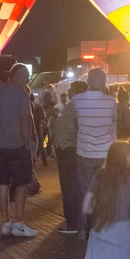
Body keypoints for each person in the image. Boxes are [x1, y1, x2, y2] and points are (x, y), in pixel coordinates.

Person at [79, 141, 130, 259]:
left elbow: (85, 208)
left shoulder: (98, 176)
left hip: (99, 233)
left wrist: (98, 210)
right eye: (129, 155)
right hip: (121, 233)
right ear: (124, 158)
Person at [0, 64, 37, 237]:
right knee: (21, 184)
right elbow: (25, 121)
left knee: (2, 184)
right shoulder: (21, 93)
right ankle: (19, 223)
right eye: (26, 75)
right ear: (17, 75)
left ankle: (5, 223)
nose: (28, 79)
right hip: (16, 145)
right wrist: (28, 144)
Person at [73, 68, 117, 237]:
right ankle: (101, 228)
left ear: (88, 82)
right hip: (105, 154)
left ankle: (83, 229)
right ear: (105, 83)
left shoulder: (76, 100)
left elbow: (73, 124)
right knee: (105, 192)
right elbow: (114, 129)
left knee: (85, 191)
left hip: (84, 153)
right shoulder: (111, 102)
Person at [54, 81, 87, 233]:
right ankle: (74, 221)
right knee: (71, 186)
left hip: (70, 149)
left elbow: (80, 127)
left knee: (71, 186)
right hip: (66, 148)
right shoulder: (74, 104)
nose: (69, 92)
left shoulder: (78, 105)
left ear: (78, 91)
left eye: (72, 89)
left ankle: (74, 223)